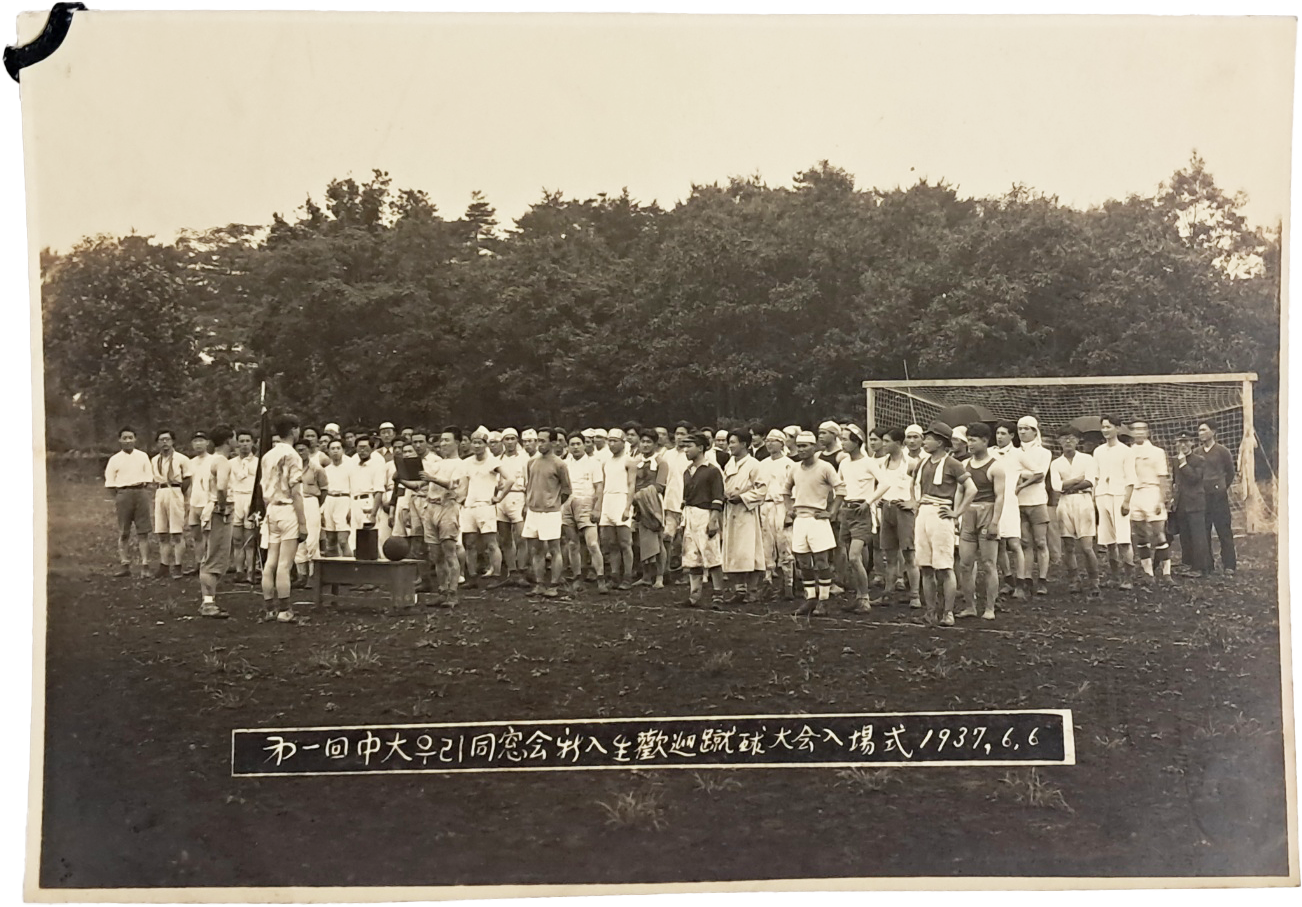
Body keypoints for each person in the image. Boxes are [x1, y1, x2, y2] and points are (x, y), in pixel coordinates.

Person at [912, 422, 976, 627]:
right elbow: (913, 486)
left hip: (942, 515)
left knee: (945, 566)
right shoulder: (922, 463)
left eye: (928, 438)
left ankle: (948, 613)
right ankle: (930, 611)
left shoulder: (953, 463)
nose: (924, 442)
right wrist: (915, 504)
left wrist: (957, 512)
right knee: (925, 566)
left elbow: (971, 489)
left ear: (939, 442)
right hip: (923, 513)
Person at [782, 430, 845, 616]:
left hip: (818, 519)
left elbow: (840, 490)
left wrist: (831, 512)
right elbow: (786, 490)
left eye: (805, 446)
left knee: (821, 561)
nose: (801, 449)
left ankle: (823, 601)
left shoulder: (825, 467)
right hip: (800, 519)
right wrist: (789, 509)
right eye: (799, 446)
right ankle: (810, 599)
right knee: (803, 561)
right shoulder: (794, 468)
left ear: (814, 447)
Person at [259, 413, 307, 623]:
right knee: (284, 564)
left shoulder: (267, 456)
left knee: (270, 561)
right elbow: (296, 491)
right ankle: (285, 610)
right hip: (287, 509)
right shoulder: (293, 455)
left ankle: (269, 608)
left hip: (272, 509)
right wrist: (303, 522)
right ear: (294, 430)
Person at [956, 422, 1005, 620]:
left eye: (973, 440)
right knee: (965, 564)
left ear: (985, 441)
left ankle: (990, 608)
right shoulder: (964, 465)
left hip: (987, 512)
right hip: (968, 514)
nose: (970, 444)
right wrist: (956, 514)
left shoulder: (996, 467)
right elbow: (959, 491)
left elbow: (1000, 496)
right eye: (968, 440)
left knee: (988, 563)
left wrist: (994, 522)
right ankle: (970, 606)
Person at [1049, 426, 1101, 597]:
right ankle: (1074, 580)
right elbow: (1057, 487)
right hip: (1065, 503)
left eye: (1072, 438)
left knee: (1086, 546)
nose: (1068, 441)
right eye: (1064, 438)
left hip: (1083, 501)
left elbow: (1089, 481)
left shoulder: (1087, 459)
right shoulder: (1056, 463)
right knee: (1069, 545)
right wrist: (1077, 479)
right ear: (1059, 442)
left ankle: (1094, 581)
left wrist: (1069, 484)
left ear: (1078, 441)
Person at [421, 428, 468, 607]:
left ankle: (453, 593)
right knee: (435, 555)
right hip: (431, 506)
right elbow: (422, 482)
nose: (443, 444)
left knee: (450, 551)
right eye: (441, 440)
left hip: (447, 508)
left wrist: (432, 478)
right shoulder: (438, 464)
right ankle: (442, 590)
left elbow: (453, 485)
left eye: (447, 440)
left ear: (457, 442)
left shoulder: (460, 464)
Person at [522, 427, 572, 598]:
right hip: (533, 511)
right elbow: (530, 485)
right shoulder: (531, 462)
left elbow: (566, 490)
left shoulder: (559, 464)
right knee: (536, 549)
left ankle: (554, 585)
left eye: (542, 441)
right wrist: (528, 504)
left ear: (552, 442)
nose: (539, 444)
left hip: (550, 512)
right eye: (538, 440)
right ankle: (539, 584)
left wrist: (553, 504)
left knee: (554, 548)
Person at [875, 427, 921, 609]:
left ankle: (915, 595)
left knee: (909, 555)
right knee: (890, 555)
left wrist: (913, 503)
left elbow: (920, 486)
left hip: (903, 511)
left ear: (897, 443)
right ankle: (887, 593)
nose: (883, 445)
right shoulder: (882, 463)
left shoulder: (911, 463)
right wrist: (878, 499)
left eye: (886, 441)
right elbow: (882, 485)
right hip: (887, 509)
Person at [837, 424, 881, 613]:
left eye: (846, 439)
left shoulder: (869, 462)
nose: (842, 443)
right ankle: (858, 595)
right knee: (851, 557)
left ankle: (865, 599)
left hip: (861, 511)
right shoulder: (844, 463)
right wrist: (839, 506)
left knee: (854, 557)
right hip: (847, 510)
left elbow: (885, 483)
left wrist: (869, 501)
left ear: (856, 442)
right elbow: (839, 485)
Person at [679, 432, 726, 608]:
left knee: (712, 556)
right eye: (684, 447)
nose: (686, 450)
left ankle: (718, 595)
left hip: (705, 514)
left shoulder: (712, 470)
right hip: (690, 515)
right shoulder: (687, 471)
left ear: (700, 448)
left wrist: (713, 520)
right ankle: (694, 595)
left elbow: (718, 497)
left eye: (689, 446)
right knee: (692, 557)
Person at [721, 429, 766, 604]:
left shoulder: (754, 464)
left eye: (733, 442)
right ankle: (739, 589)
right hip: (730, 512)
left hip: (747, 512)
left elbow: (761, 490)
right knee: (733, 550)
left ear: (744, 444)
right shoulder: (729, 464)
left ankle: (752, 589)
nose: (730, 446)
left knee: (750, 551)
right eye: (729, 442)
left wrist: (743, 497)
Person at [104, 426, 154, 578]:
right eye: (124, 438)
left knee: (143, 531)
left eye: (130, 437)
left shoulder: (143, 456)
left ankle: (145, 565)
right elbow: (110, 482)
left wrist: (141, 491)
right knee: (124, 531)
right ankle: (124, 564)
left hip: (141, 492)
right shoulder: (114, 459)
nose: (128, 441)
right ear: (120, 440)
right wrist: (120, 496)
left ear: (135, 439)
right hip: (123, 494)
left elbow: (149, 476)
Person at [1129, 420, 1174, 587]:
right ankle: (1148, 573)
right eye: (1135, 429)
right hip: (1135, 493)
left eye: (1142, 429)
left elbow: (1163, 477)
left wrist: (1161, 499)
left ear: (1147, 432)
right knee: (1140, 535)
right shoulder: (1128, 452)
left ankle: (1167, 573)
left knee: (1158, 533)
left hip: (1152, 492)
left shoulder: (1157, 452)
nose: (1138, 432)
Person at [1094, 415, 1136, 590]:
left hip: (1119, 496)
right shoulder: (1098, 451)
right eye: (1103, 427)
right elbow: (1096, 477)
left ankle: (1128, 578)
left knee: (1124, 539)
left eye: (1109, 427)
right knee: (1108, 540)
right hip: (1102, 495)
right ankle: (1114, 576)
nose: (1105, 430)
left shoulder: (1126, 451)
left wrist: (1126, 501)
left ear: (1118, 429)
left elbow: (1131, 479)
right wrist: (1094, 497)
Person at [461, 426, 506, 587]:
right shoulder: (466, 463)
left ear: (485, 444)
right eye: (474, 442)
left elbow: (509, 479)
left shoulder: (493, 462)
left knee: (491, 542)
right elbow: (464, 484)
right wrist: (462, 500)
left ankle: (496, 575)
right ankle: (472, 577)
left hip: (486, 506)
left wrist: (498, 497)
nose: (476, 446)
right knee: (470, 542)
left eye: (480, 442)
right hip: (469, 507)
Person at [198, 426, 235, 618]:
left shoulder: (210, 460)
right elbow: (221, 488)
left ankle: (208, 601)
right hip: (219, 511)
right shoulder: (221, 461)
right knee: (214, 558)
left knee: (211, 556)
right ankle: (208, 604)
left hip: (210, 508)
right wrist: (223, 508)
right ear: (229, 440)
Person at [1014, 416, 1053, 597]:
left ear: (1034, 431)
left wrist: (1021, 481)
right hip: (1019, 503)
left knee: (1041, 542)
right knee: (1025, 542)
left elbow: (1040, 475)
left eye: (1026, 429)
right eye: (1020, 429)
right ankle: (1027, 577)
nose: (1022, 432)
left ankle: (1043, 579)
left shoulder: (1044, 453)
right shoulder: (1014, 452)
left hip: (1037, 501)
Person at [562, 433, 605, 593]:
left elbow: (599, 487)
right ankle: (577, 577)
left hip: (587, 502)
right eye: (572, 444)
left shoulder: (594, 463)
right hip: (567, 503)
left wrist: (597, 508)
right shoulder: (564, 463)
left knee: (592, 543)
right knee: (573, 544)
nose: (575, 447)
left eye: (578, 443)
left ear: (584, 445)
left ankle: (600, 578)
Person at [757, 429, 795, 600]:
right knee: (766, 545)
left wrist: (789, 512)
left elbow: (793, 490)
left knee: (785, 544)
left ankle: (788, 585)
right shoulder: (762, 464)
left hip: (782, 506)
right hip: (766, 506)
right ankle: (768, 582)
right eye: (768, 440)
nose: (770, 443)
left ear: (782, 443)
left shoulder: (789, 464)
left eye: (774, 440)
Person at [598, 428, 638, 590]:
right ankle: (614, 575)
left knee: (625, 542)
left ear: (623, 443)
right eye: (610, 441)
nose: (612, 444)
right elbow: (602, 485)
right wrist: (600, 506)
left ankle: (627, 576)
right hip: (608, 500)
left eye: (615, 441)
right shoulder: (605, 462)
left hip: (622, 499)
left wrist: (628, 507)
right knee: (611, 543)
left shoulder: (629, 461)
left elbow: (631, 485)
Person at [1198, 421, 1237, 578]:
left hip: (1219, 497)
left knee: (1224, 530)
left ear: (1213, 432)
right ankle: (1207, 565)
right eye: (1199, 430)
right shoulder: (1196, 452)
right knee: (1203, 531)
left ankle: (1229, 565)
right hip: (1202, 497)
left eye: (1204, 430)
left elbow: (1230, 472)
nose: (1200, 433)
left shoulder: (1223, 451)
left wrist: (1221, 487)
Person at [150, 429, 191, 580]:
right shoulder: (154, 460)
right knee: (162, 532)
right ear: (157, 443)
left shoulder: (182, 459)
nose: (165, 443)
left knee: (176, 532)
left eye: (167, 439)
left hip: (175, 491)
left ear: (173, 441)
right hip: (161, 493)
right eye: (161, 440)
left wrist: (180, 494)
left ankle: (178, 565)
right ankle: (164, 565)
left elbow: (187, 479)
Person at [1172, 431, 1212, 577]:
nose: (1183, 445)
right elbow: (1176, 481)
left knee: (1198, 536)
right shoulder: (1175, 460)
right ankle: (1188, 563)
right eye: (1180, 442)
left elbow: (1195, 478)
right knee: (1185, 535)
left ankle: (1201, 568)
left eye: (1186, 442)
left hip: (1195, 502)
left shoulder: (1199, 459)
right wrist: (1173, 498)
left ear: (1192, 443)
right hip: (1181, 503)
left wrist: (1183, 463)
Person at [632, 430, 669, 588]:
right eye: (643, 441)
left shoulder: (661, 463)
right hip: (638, 505)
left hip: (653, 504)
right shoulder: (635, 461)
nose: (645, 445)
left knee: (658, 541)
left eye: (649, 442)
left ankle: (659, 576)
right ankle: (646, 575)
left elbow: (660, 486)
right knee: (642, 541)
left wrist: (641, 495)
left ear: (655, 444)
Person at [495, 427, 529, 585]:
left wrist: (527, 503)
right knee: (505, 538)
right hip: (501, 499)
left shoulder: (524, 458)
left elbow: (529, 483)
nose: (509, 442)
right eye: (506, 439)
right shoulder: (497, 459)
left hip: (518, 497)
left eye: (512, 439)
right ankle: (512, 571)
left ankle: (522, 571)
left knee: (522, 537)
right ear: (502, 441)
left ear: (517, 441)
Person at [293, 438, 328, 585]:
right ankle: (301, 574)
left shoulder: (317, 468)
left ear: (309, 450)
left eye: (303, 449)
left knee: (312, 539)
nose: (300, 453)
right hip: (296, 502)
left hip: (311, 501)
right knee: (297, 537)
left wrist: (316, 505)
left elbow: (324, 489)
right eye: (298, 450)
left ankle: (313, 575)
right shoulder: (292, 468)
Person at [229, 429, 259, 584]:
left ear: (253, 443)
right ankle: (239, 570)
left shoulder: (258, 462)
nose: (244, 445)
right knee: (237, 539)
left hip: (250, 499)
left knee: (250, 539)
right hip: (235, 499)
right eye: (241, 441)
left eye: (248, 441)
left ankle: (251, 570)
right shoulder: (230, 463)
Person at [321, 439, 355, 559]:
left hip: (344, 500)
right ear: (328, 452)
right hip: (329, 501)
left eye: (338, 448)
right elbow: (323, 491)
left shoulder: (350, 468)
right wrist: (322, 510)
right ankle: (333, 570)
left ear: (343, 450)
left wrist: (351, 508)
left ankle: (349, 569)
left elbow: (353, 489)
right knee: (330, 540)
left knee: (343, 540)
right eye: (332, 449)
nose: (335, 451)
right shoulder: (325, 470)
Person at [185, 432, 213, 575]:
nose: (198, 444)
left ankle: (208, 564)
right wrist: (188, 503)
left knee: (208, 535)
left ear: (207, 442)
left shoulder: (213, 460)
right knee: (196, 536)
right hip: (194, 502)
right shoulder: (190, 462)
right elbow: (190, 484)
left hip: (207, 503)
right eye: (195, 441)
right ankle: (198, 563)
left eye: (201, 441)